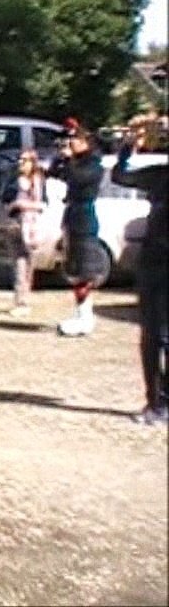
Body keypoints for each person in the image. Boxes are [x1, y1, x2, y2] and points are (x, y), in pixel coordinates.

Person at [112, 123, 168, 424]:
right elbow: (120, 176)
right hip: (154, 261)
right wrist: (129, 146)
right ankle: (154, 402)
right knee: (151, 336)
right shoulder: (161, 175)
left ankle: (164, 403)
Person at [48, 120, 104, 337]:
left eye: (76, 140)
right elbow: (56, 173)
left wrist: (70, 159)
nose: (72, 144)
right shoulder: (76, 162)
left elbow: (77, 178)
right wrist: (60, 157)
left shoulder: (94, 165)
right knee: (75, 271)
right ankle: (83, 314)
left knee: (84, 271)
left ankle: (85, 317)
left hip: (85, 220)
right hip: (72, 217)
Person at [7, 150, 46, 317]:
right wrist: (15, 205)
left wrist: (25, 205)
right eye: (20, 160)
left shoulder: (38, 182)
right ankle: (19, 301)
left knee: (29, 265)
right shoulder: (12, 182)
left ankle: (25, 299)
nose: (20, 163)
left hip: (32, 227)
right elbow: (6, 203)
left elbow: (43, 204)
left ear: (32, 163)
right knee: (18, 265)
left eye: (25, 160)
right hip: (16, 224)